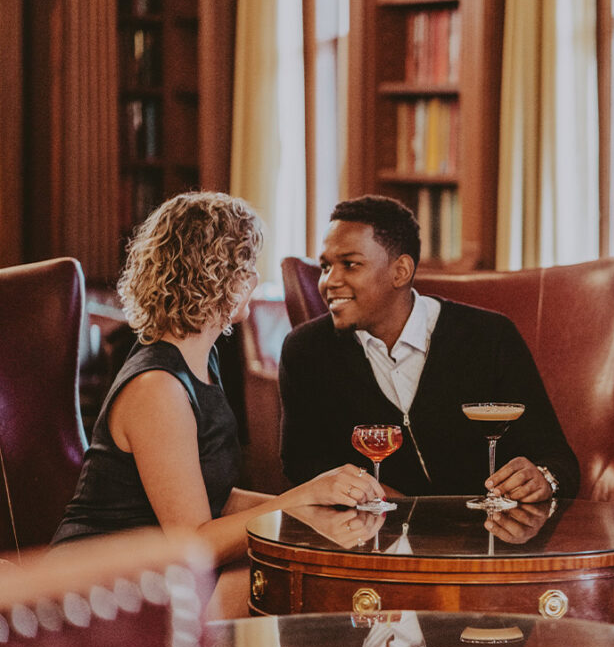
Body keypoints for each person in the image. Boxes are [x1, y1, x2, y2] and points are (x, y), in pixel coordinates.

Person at [52, 191, 383, 574]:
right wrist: (301, 500)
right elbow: (193, 543)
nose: (256, 278)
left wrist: (313, 507)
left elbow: (217, 500)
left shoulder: (202, 359)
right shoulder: (158, 387)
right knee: (304, 583)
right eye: (246, 266)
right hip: (105, 585)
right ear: (211, 276)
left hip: (164, 572)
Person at [279, 194, 580, 502]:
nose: (329, 281)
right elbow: (302, 463)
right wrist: (375, 493)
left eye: (350, 264)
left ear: (401, 271)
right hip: (373, 537)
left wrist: (543, 479)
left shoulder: (490, 337)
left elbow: (557, 459)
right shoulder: (305, 351)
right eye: (325, 266)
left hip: (488, 539)